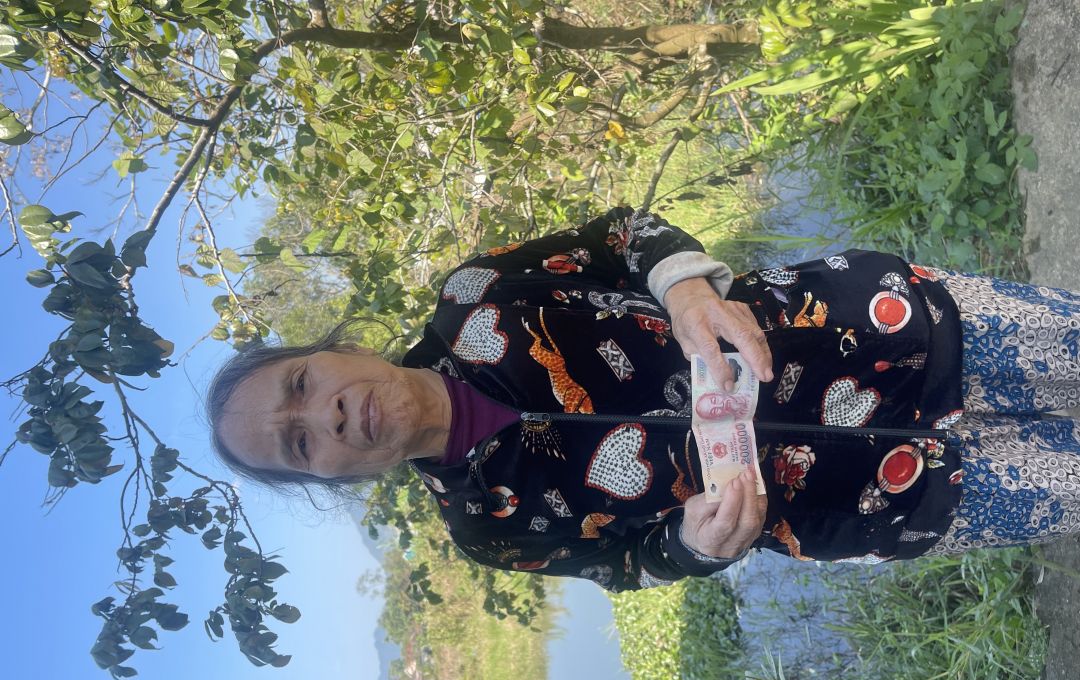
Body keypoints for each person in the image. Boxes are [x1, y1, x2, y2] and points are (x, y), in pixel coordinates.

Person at [207, 207, 1080, 591]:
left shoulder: (472, 296)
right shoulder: (487, 528)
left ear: (335, 349)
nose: (322, 416)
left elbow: (622, 235)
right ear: (333, 479)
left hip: (884, 329)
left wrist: (684, 286)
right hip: (882, 499)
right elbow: (629, 566)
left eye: (300, 385)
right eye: (298, 444)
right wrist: (693, 548)